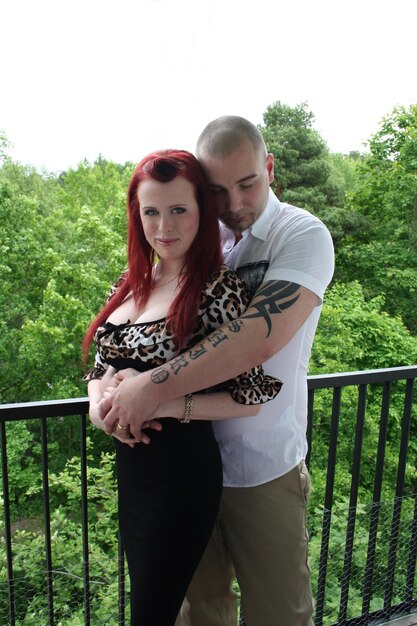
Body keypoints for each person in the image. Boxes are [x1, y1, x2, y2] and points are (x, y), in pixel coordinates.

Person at [99, 117, 335, 626]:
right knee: (201, 614)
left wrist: (152, 391)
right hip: (184, 469)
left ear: (269, 168)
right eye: (217, 190)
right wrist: (109, 395)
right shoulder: (200, 238)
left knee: (279, 614)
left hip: (262, 465)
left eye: (247, 183)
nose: (233, 204)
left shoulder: (301, 234)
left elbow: (257, 338)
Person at [82, 148, 282, 626]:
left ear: (201, 213)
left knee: (153, 612)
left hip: (181, 480)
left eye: (178, 210)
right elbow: (99, 367)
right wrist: (98, 410)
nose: (164, 227)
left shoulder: (219, 287)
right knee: (154, 608)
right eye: (151, 211)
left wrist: (164, 400)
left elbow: (249, 398)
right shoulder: (132, 281)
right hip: (134, 476)